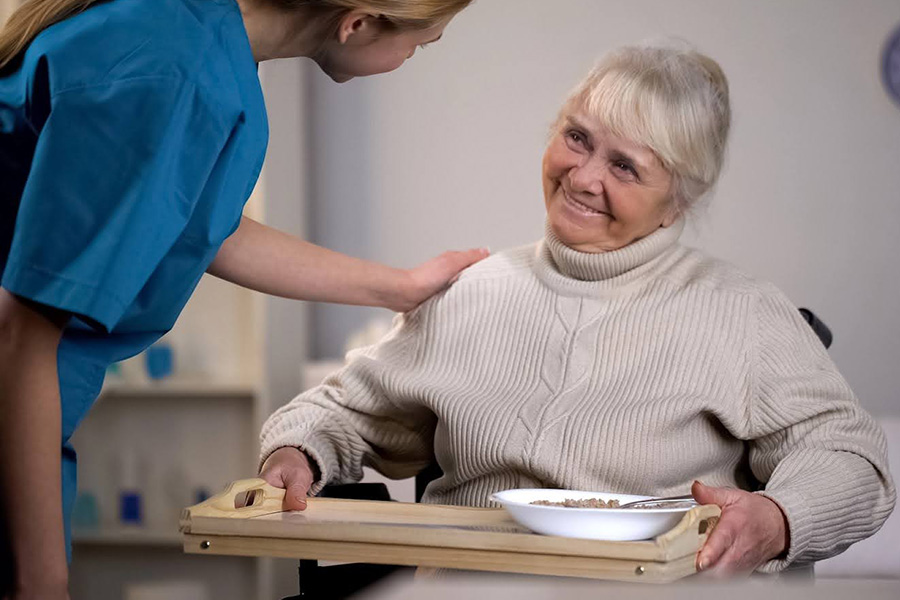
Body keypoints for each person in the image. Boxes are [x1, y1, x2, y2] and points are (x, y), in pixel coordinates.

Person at [259, 44, 896, 578]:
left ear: (678, 200)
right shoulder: (472, 290)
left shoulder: (742, 312)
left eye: (624, 165)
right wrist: (297, 452)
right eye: (576, 138)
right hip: (472, 588)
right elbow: (342, 412)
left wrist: (778, 518)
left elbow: (850, 457)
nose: (584, 176)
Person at [0, 0, 485, 598]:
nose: (412, 57)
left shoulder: (190, 35)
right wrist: (42, 582)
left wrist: (400, 285)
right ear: (357, 22)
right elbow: (20, 331)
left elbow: (198, 224)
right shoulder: (177, 71)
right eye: (421, 43)